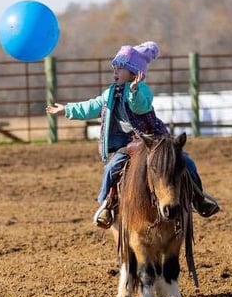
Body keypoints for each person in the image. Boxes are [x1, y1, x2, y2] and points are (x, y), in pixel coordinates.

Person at [46, 41, 220, 229]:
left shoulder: (142, 91)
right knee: (112, 168)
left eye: (120, 68)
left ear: (133, 72)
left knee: (186, 162)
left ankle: (199, 198)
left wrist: (134, 91)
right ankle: (108, 204)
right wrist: (67, 109)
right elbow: (92, 106)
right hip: (128, 144)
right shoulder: (109, 94)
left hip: (153, 140)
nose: (115, 71)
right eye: (115, 68)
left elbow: (141, 106)